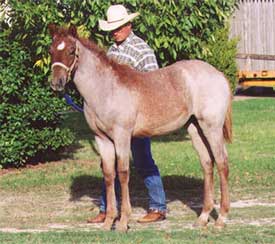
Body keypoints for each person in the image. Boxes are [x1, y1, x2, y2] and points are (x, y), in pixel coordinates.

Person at [87, 4, 167, 224]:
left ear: (129, 25)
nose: (115, 31)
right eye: (112, 28)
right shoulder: (111, 52)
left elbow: (154, 82)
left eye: (119, 27)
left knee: (142, 159)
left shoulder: (142, 50)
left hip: (137, 117)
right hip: (111, 119)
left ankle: (158, 206)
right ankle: (107, 208)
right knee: (107, 164)